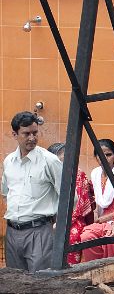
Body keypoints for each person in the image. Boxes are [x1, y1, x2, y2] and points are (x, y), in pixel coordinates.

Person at [2, 112, 61, 271]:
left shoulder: (49, 161)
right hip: (12, 233)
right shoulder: (9, 162)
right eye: (26, 134)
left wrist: (58, 224)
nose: (32, 138)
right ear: (15, 134)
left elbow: (69, 197)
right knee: (15, 281)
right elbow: (6, 194)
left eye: (35, 133)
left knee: (40, 282)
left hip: (40, 232)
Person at [75, 139, 114, 263]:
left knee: (110, 238)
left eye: (108, 155)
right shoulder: (95, 174)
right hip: (101, 222)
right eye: (100, 155)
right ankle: (94, 268)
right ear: (96, 157)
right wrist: (96, 214)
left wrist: (112, 219)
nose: (104, 159)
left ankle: (113, 269)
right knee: (86, 237)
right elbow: (93, 200)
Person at [48, 141, 94, 266]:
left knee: (70, 237)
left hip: (72, 221)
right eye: (59, 159)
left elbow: (79, 206)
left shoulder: (78, 174)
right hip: (48, 221)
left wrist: (60, 223)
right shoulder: (47, 173)